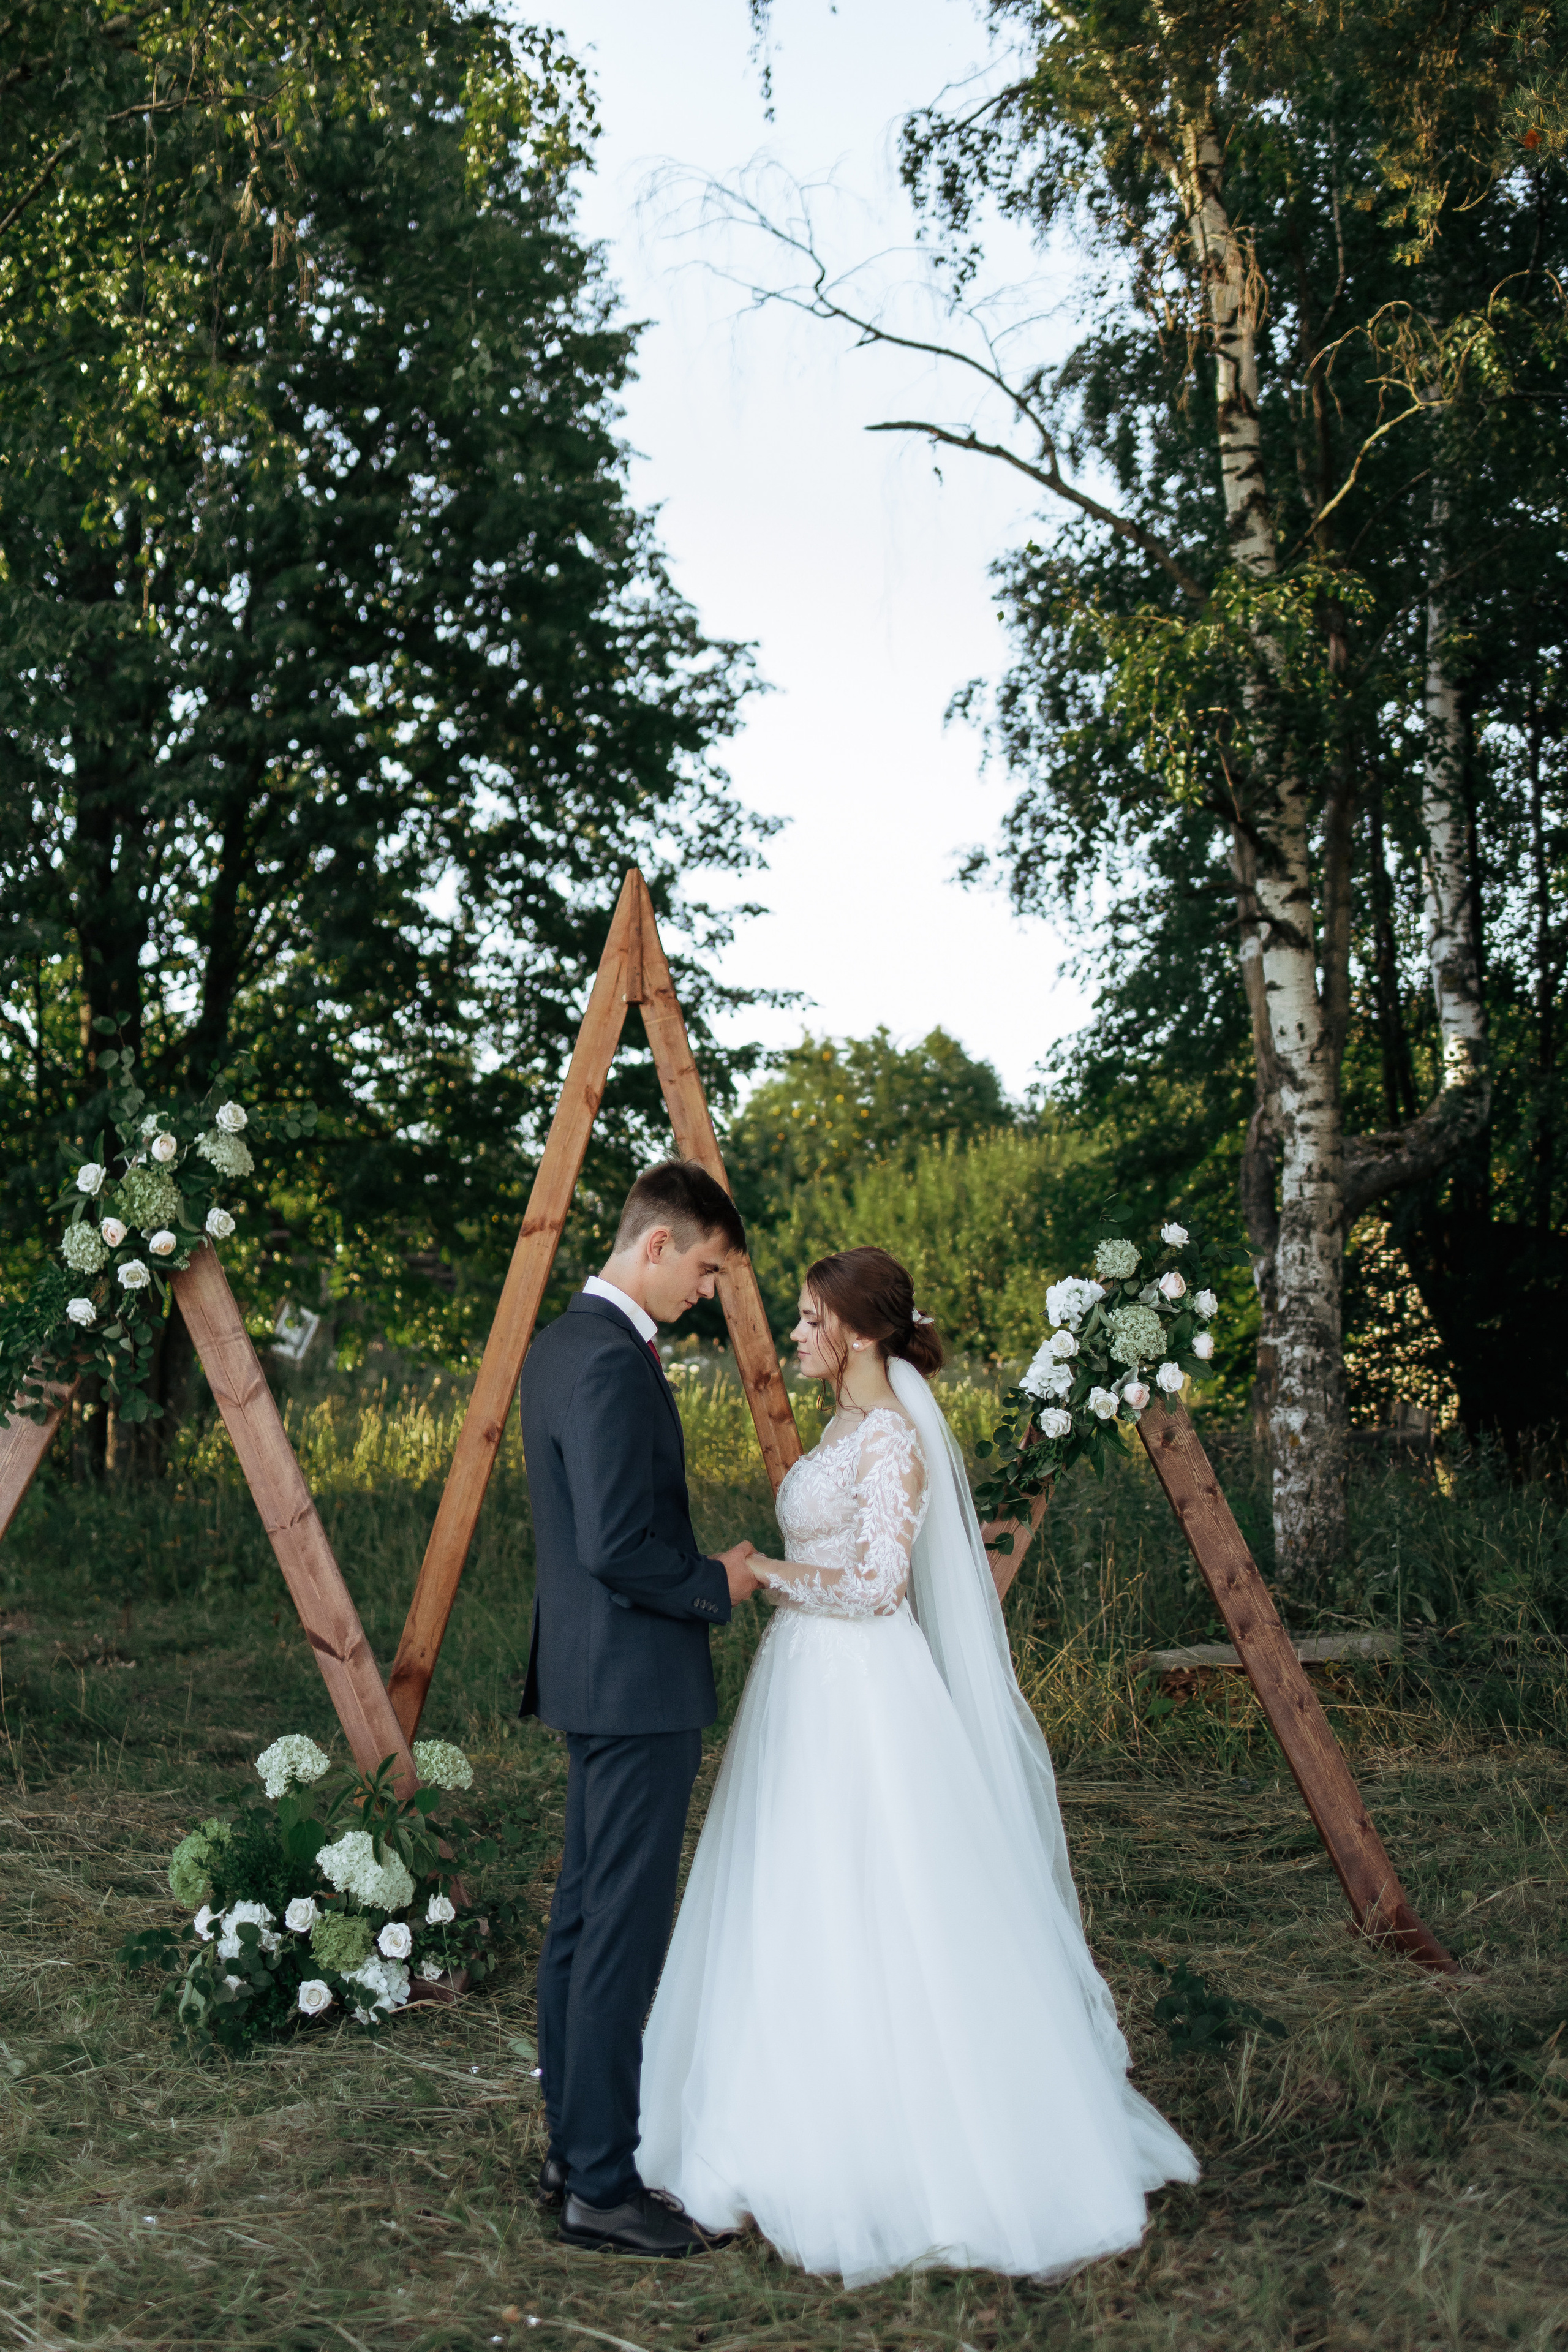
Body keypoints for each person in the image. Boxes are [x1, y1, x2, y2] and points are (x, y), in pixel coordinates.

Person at [638, 1245, 1199, 2285]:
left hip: (861, 1690)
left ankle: (900, 2140)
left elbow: (881, 1585)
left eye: (810, 1320)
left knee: (879, 1895)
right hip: (806, 1687)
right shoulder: (847, 1425)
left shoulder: (893, 1437)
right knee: (795, 1892)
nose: (798, 1335)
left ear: (854, 1331)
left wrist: (766, 1570)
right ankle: (777, 2104)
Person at [518, 1159, 760, 2257]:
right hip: (636, 1678)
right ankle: (605, 2187)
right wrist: (719, 1582)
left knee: (583, 1918)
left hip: (588, 1674)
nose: (708, 1291)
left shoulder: (563, 1341)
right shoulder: (612, 1362)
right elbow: (617, 1545)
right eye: (706, 1269)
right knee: (619, 1927)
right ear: (656, 1245)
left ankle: (577, 2153)